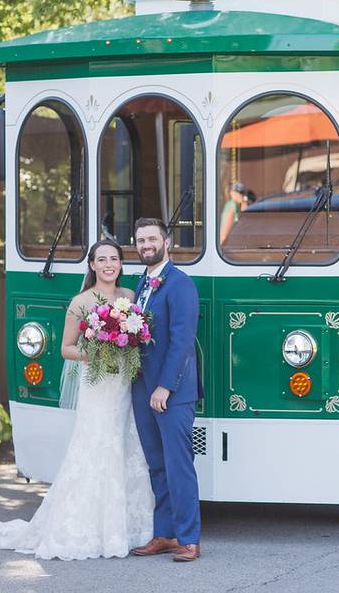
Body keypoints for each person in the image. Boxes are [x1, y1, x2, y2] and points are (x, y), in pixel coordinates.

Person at [0, 240, 154, 560]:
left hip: (123, 385)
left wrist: (125, 342)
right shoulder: (80, 302)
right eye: (102, 259)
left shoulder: (130, 298)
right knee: (94, 447)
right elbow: (66, 348)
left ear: (121, 264)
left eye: (114, 259)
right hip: (97, 388)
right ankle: (85, 527)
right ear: (91, 265)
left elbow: (138, 338)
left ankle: (128, 526)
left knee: (126, 444)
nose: (109, 264)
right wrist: (95, 350)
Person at [128, 217, 204, 562]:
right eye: (141, 240)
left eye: (151, 239)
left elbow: (182, 342)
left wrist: (164, 388)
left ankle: (189, 538)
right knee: (156, 464)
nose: (146, 245)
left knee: (178, 464)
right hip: (140, 386)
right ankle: (165, 534)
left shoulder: (180, 284)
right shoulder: (139, 284)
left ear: (166, 242)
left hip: (170, 392)